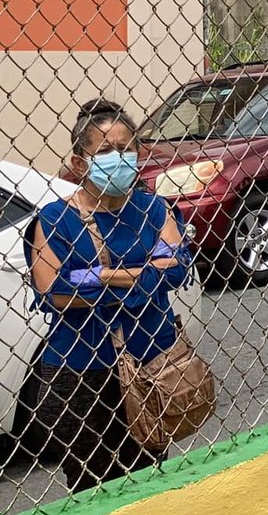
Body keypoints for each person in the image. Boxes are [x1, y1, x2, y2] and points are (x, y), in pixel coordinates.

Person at [27, 100, 191, 491]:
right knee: (91, 486)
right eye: (104, 152)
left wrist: (97, 276)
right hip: (81, 374)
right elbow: (56, 292)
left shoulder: (155, 209)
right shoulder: (54, 218)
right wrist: (141, 275)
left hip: (152, 364)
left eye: (126, 148)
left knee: (151, 476)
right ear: (80, 162)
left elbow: (177, 270)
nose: (118, 159)